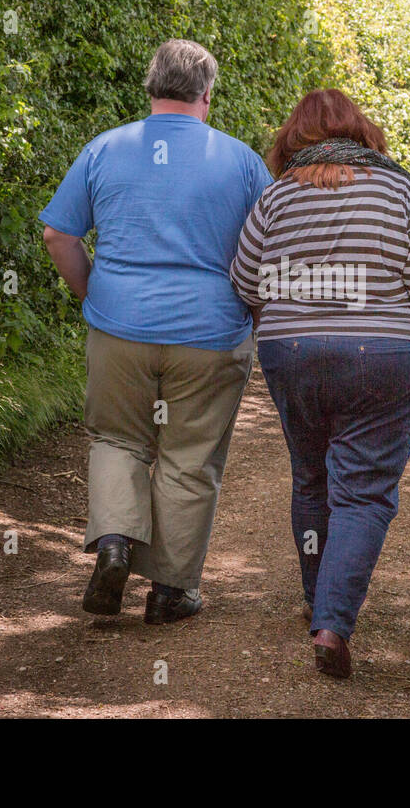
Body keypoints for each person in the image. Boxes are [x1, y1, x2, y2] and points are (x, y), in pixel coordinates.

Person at [40, 39, 271, 625]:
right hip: (211, 333)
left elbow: (57, 236)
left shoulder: (105, 149)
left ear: (149, 88)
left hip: (120, 327)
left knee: (118, 440)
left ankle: (115, 542)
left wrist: (97, 295)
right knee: (189, 458)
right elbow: (272, 247)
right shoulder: (242, 161)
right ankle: (170, 591)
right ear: (207, 95)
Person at [230, 89, 410, 679]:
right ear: (362, 132)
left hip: (292, 354)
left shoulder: (276, 197)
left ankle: (317, 597)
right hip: (382, 357)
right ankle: (331, 623)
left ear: (291, 138)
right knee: (361, 492)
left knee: (310, 477)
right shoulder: (397, 190)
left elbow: (246, 282)